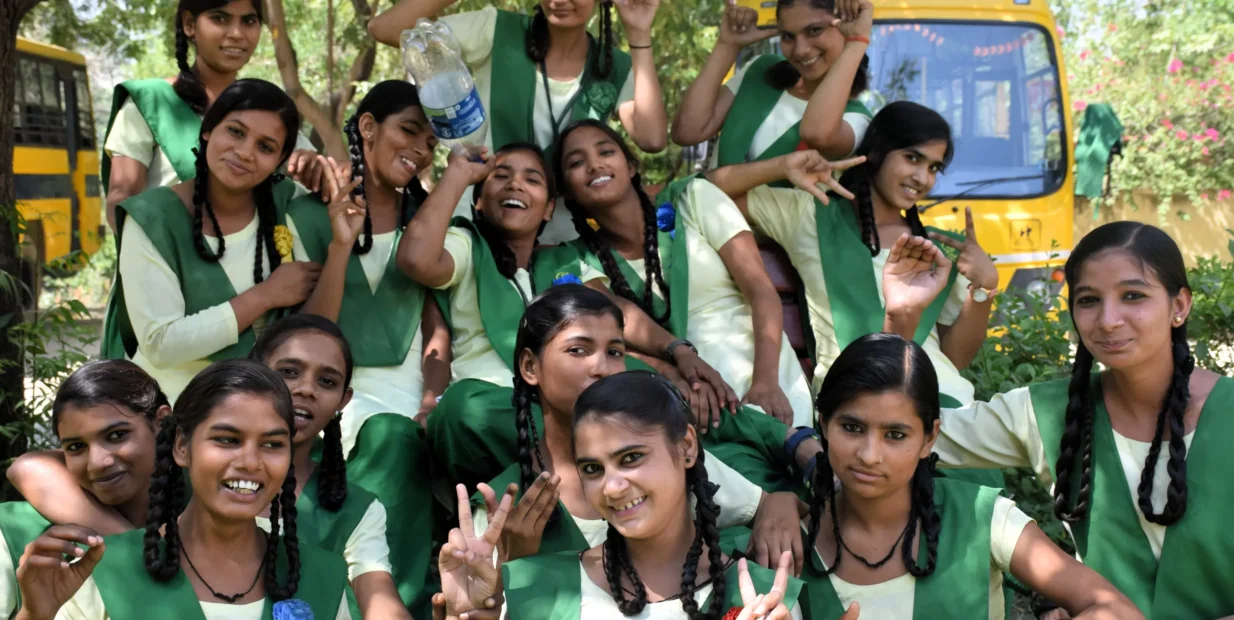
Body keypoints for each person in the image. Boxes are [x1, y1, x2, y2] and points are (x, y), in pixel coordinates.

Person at [884, 221, 1234, 618]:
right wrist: (902, 317)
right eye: (1088, 300)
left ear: (1179, 306)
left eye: (1133, 295)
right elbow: (895, 433)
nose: (1108, 320)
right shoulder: (1044, 413)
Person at [396, 144, 735, 492]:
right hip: (497, 410)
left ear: (547, 210)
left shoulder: (562, 261)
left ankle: (781, 445)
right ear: (478, 200)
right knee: (463, 408)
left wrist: (677, 351)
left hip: (572, 400)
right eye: (501, 176)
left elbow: (620, 316)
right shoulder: (467, 245)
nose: (515, 184)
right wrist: (458, 174)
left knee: (672, 396)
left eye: (532, 179)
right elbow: (416, 259)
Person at [467, 285, 822, 574]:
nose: (602, 368)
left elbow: (757, 506)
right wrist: (516, 565)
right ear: (530, 367)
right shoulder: (504, 505)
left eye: (615, 351)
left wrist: (779, 502)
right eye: (578, 350)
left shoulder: (662, 458)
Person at [796, 332, 1141, 619]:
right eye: (852, 427)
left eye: (896, 435)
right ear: (824, 423)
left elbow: (1115, 609)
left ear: (929, 438)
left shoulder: (981, 518)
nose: (870, 455)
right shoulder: (790, 539)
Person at [438, 370, 805, 619]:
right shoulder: (537, 585)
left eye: (631, 458)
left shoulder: (762, 596)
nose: (612, 487)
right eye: (592, 469)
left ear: (687, 447)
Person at [706, 101, 995, 409]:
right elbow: (706, 191)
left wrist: (985, 287)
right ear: (878, 152)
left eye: (933, 168)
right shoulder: (811, 215)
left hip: (943, 399)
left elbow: (954, 360)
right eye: (912, 158)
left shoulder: (942, 249)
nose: (922, 178)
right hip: (856, 400)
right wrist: (781, 167)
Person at [12, 360, 350, 619]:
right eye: (227, 440)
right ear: (181, 447)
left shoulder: (322, 574)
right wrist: (34, 614)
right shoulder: (105, 572)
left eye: (273, 444)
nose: (250, 462)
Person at [557, 119, 814, 427]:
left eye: (606, 152)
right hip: (685, 401)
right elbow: (611, 341)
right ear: (567, 193)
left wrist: (766, 383)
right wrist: (671, 373)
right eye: (577, 162)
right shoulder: (577, 262)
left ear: (632, 166)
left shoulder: (695, 199)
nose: (594, 165)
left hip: (761, 372)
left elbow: (761, 292)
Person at [368, 0, 668, 244]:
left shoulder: (613, 66)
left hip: (562, 241)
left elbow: (652, 139)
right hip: (472, 226)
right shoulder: (495, 30)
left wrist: (639, 33)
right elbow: (385, 28)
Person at [101, 78, 322, 403]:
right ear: (207, 131)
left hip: (264, 409)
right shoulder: (151, 217)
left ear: (279, 160)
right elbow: (162, 344)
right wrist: (266, 295)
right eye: (235, 131)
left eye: (265, 146)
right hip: (172, 410)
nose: (245, 152)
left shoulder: (286, 203)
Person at [102, 0, 322, 230]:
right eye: (220, 18)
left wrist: (314, 167)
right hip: (169, 259)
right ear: (189, 24)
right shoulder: (151, 102)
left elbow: (304, 181)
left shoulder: (265, 108)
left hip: (257, 263)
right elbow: (122, 201)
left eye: (248, 21)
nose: (237, 33)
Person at [249, 315, 414, 619]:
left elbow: (381, 601)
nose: (306, 389)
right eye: (289, 371)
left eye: (326, 381)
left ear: (342, 400)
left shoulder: (356, 508)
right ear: (253, 375)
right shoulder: (193, 476)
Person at [0, 361, 168, 618]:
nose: (98, 462)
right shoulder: (14, 531)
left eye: (116, 435)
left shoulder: (213, 528)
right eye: (77, 447)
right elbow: (26, 466)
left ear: (162, 423)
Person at [672, 0, 873, 167]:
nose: (800, 50)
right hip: (704, 212)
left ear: (847, 27)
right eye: (788, 36)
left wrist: (857, 42)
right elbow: (687, 132)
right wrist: (727, 45)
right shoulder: (761, 72)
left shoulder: (856, 119)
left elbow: (817, 134)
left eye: (814, 30)